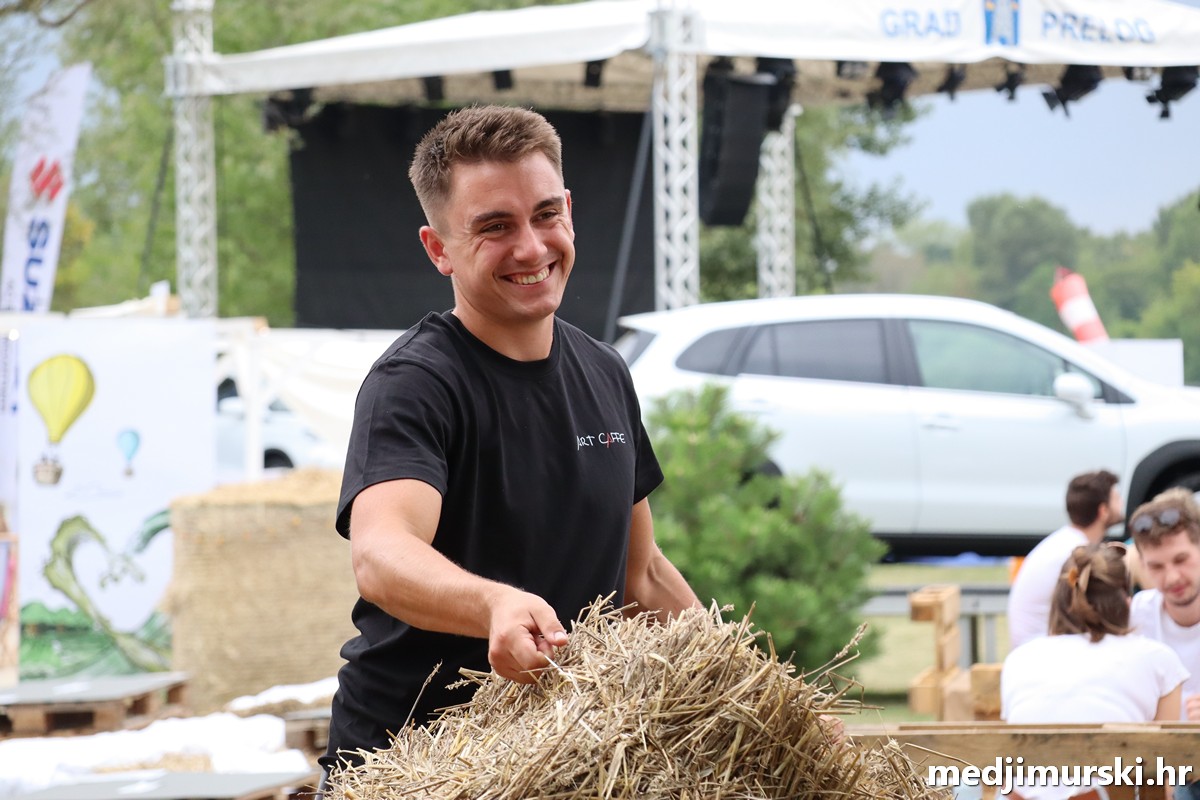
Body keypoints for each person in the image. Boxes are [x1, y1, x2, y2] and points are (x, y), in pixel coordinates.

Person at [318, 105, 701, 779]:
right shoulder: (414, 383)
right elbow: (380, 555)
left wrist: (766, 692)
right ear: (438, 249)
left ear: (569, 213)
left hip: (558, 764)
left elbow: (640, 576)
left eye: (545, 214)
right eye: (495, 227)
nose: (530, 248)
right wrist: (493, 603)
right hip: (411, 768)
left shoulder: (605, 372)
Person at [1001, 543, 1189, 800]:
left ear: (1059, 602)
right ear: (1126, 602)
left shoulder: (1019, 660)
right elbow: (1163, 782)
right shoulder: (1159, 660)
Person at [1007, 470, 1123, 650]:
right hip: (1042, 652)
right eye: (1116, 498)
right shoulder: (1076, 553)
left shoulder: (1064, 541)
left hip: (1039, 646)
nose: (1122, 503)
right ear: (1104, 511)